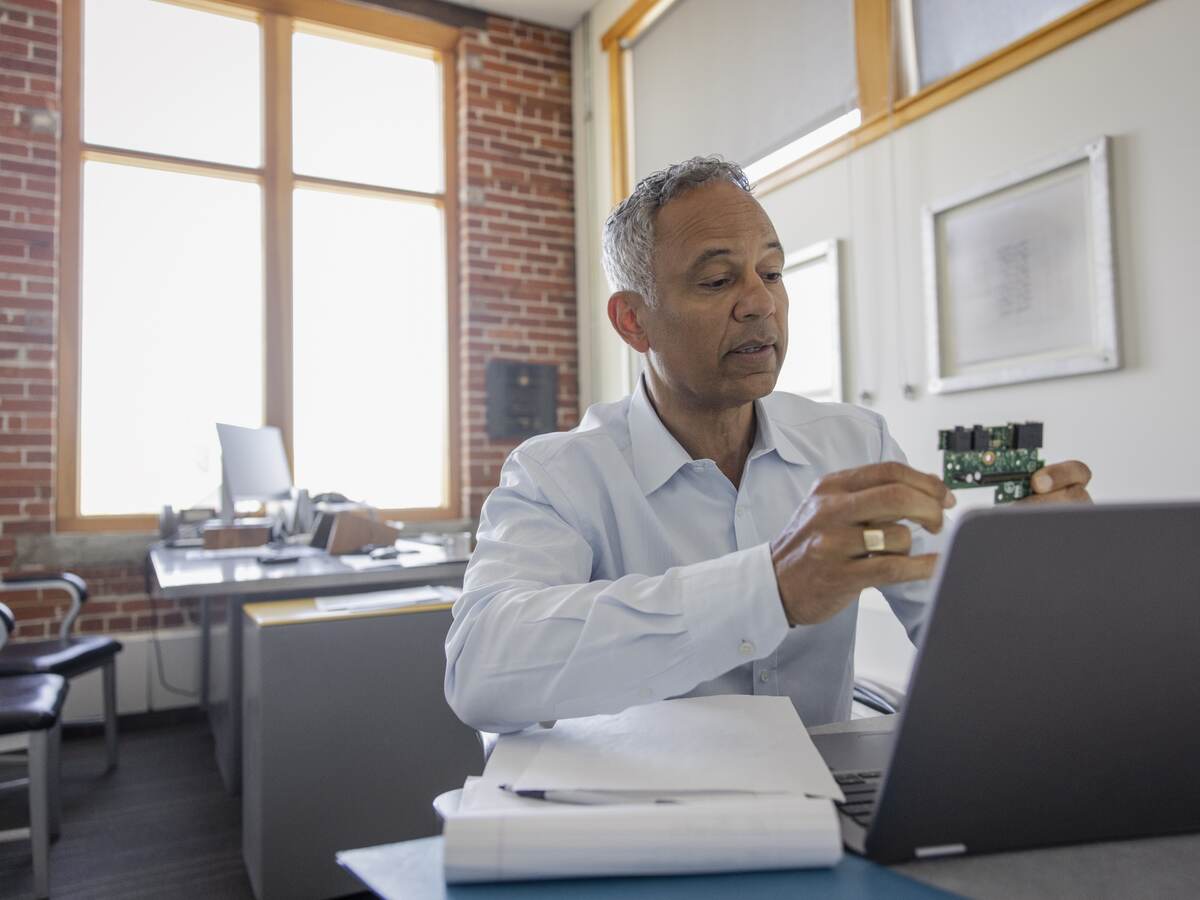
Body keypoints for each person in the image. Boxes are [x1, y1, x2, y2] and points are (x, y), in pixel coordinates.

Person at [444, 156, 1092, 734]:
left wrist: (1025, 576)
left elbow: (965, 644)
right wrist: (770, 588)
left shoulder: (853, 443)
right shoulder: (557, 475)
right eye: (718, 280)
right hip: (647, 824)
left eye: (772, 272)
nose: (760, 304)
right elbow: (482, 669)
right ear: (634, 321)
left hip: (831, 816)